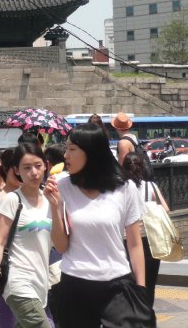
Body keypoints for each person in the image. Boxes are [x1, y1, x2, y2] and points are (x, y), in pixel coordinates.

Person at [43, 124, 147, 328]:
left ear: (91, 152)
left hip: (117, 282)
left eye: (72, 149)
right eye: (66, 148)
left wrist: (141, 290)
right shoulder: (61, 187)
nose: (65, 155)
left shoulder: (125, 188)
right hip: (75, 283)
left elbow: (135, 244)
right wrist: (54, 207)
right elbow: (61, 247)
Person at [0, 143, 52, 328]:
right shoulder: (13, 200)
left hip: (41, 282)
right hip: (18, 282)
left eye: (38, 166)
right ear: (16, 170)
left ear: (45, 166)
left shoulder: (50, 200)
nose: (33, 172)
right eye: (27, 168)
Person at [122, 152, 169, 305]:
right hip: (149, 240)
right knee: (149, 283)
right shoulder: (150, 186)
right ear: (142, 168)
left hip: (126, 241)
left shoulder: (121, 188)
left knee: (129, 282)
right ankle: (147, 311)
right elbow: (166, 209)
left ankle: (133, 310)